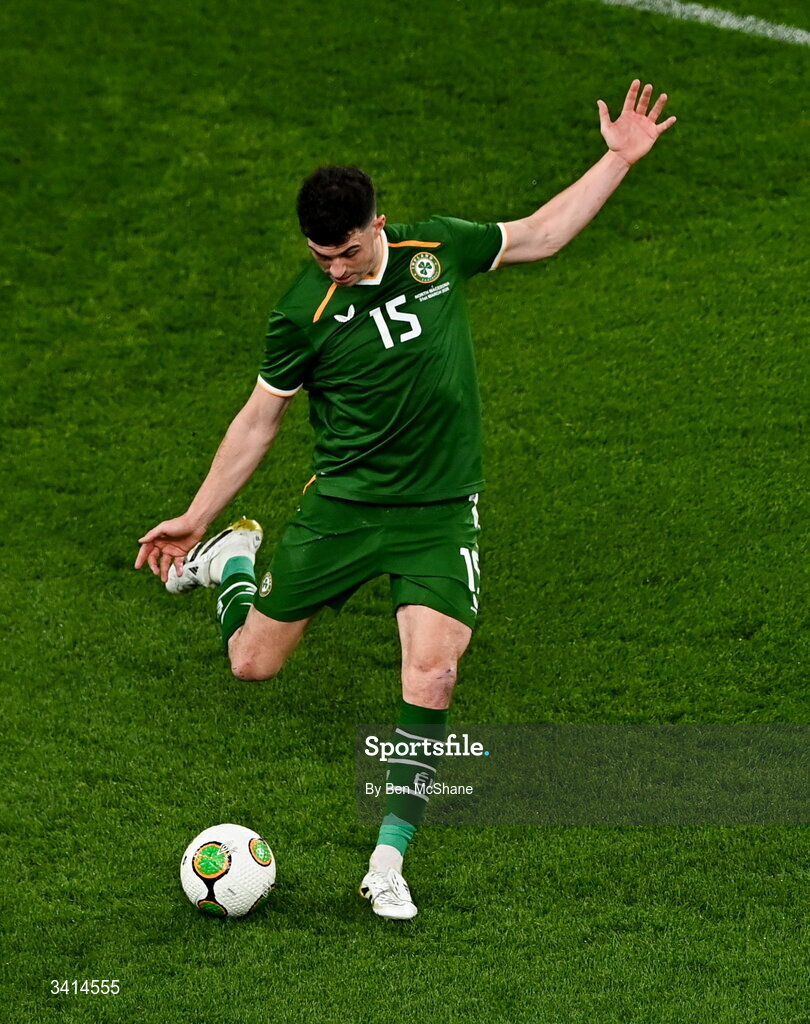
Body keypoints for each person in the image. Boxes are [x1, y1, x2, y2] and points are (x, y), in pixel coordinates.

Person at [136, 80, 676, 920]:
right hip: (344, 509)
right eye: (321, 258)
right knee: (252, 663)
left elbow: (541, 234)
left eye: (346, 254)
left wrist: (617, 158)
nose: (335, 269)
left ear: (377, 226)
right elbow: (258, 422)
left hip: (436, 513)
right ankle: (234, 561)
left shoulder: (437, 252)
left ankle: (389, 859)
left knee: (434, 674)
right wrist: (198, 514)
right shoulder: (301, 314)